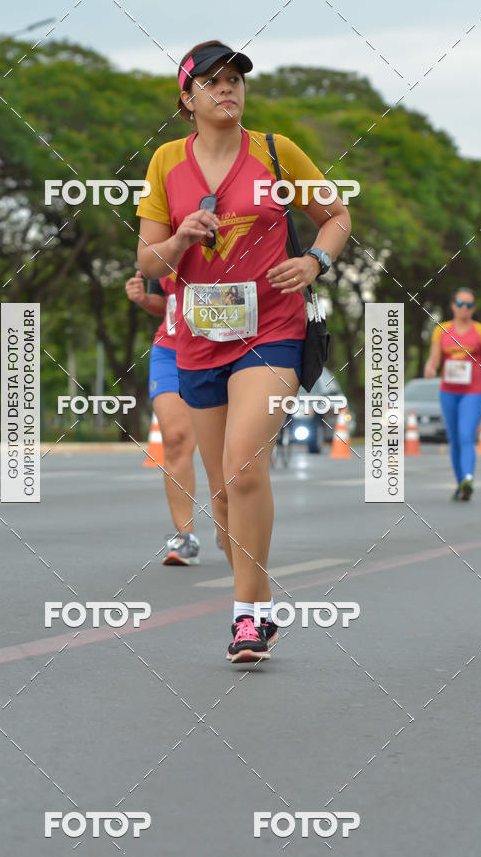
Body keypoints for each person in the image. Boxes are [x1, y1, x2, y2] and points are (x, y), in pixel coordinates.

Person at [136, 40, 351, 662]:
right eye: (213, 81)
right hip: (198, 340)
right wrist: (180, 237)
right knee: (223, 492)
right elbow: (148, 263)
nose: (227, 88)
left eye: (236, 79)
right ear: (188, 97)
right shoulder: (165, 164)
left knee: (243, 467)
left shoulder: (276, 152)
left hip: (271, 332)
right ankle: (256, 597)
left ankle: (248, 617)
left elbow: (336, 215)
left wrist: (315, 260)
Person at [124, 270, 200, 564]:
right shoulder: (163, 234)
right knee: (176, 440)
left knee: (226, 443)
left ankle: (230, 519)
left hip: (227, 347)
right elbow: (165, 300)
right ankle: (185, 539)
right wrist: (144, 299)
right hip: (171, 349)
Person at [424, 287, 481, 500]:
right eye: (460, 304)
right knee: (454, 439)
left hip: (472, 392)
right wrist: (430, 368)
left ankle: (468, 478)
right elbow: (435, 359)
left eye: (468, 305)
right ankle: (461, 485)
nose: (464, 309)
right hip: (448, 392)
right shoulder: (442, 329)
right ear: (453, 306)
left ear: (473, 308)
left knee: (467, 435)